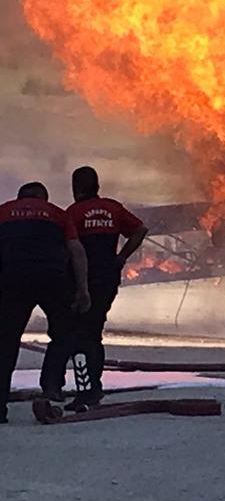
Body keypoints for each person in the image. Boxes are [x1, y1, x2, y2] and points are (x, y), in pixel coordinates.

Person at [49, 166, 148, 409]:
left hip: (83, 280)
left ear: (76, 188)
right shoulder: (113, 209)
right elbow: (140, 229)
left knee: (79, 334)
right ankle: (92, 386)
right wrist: (122, 257)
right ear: (97, 185)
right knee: (94, 331)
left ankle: (87, 390)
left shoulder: (73, 213)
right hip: (107, 278)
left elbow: (70, 248)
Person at [0, 182, 89, 423]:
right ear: (44, 198)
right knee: (63, 333)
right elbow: (76, 250)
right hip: (52, 278)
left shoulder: (3, 211)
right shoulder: (57, 214)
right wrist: (82, 290)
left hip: (11, 279)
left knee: (5, 341)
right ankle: (51, 386)